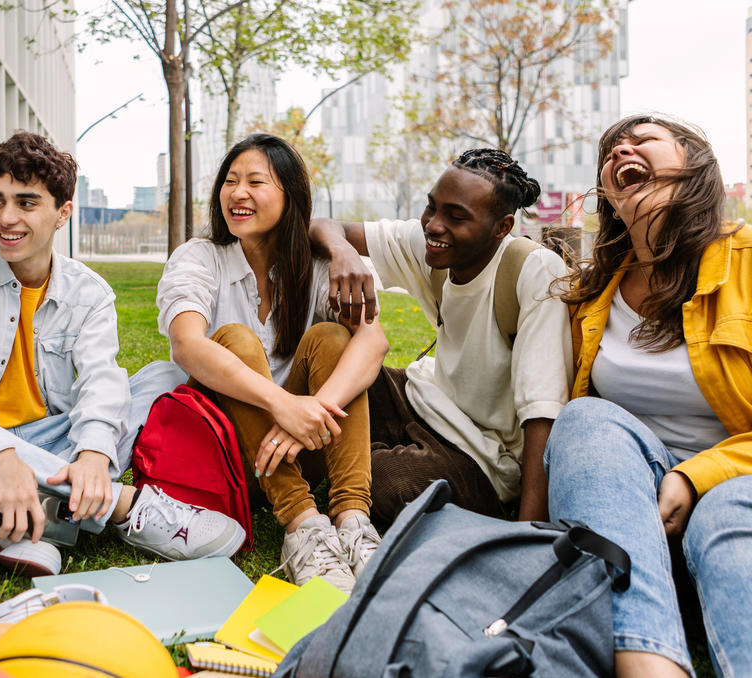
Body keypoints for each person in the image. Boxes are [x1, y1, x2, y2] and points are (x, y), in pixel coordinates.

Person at [0, 131, 244, 575]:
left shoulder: (89, 292)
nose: (6, 218)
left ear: (63, 213)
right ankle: (122, 506)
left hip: (51, 440)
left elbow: (101, 379)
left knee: (165, 377)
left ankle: (27, 515)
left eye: (26, 203)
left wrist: (96, 454)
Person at [546, 114, 752, 678]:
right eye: (612, 149)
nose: (621, 149)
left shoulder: (747, 260)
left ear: (694, 168)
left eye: (643, 140)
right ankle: (647, 665)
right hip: (629, 505)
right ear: (610, 197)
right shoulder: (591, 298)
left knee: (725, 514)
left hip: (738, 484)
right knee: (587, 418)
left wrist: (695, 477)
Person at [156, 134, 389, 593]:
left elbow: (373, 342)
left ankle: (353, 522)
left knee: (333, 336)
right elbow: (186, 344)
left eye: (255, 182)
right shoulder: (200, 257)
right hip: (229, 456)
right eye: (230, 181)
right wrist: (280, 404)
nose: (237, 193)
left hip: (304, 443)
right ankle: (302, 525)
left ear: (291, 195)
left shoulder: (315, 265)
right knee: (234, 341)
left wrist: (308, 409)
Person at [310, 149, 570, 526]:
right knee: (331, 352)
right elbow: (323, 225)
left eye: (456, 216)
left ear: (502, 226)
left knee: (385, 484)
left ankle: (364, 457)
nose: (433, 224)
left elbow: (542, 411)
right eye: (432, 207)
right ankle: (371, 452)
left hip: (485, 454)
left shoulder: (532, 270)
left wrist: (526, 534)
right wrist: (342, 252)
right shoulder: (431, 243)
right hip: (428, 400)